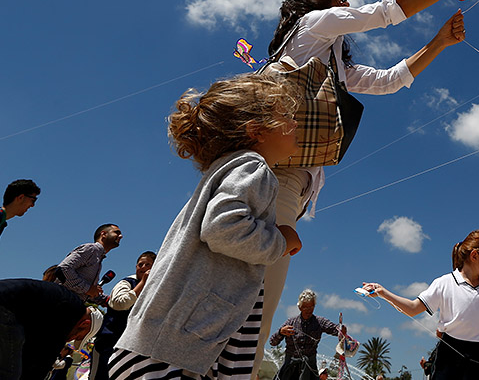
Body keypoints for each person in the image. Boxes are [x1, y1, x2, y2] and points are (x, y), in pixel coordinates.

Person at [254, 0, 479, 371]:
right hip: (277, 177)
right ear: (317, 2)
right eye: (338, 0)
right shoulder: (312, 26)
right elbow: (386, 12)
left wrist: (439, 42)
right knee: (258, 307)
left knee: (256, 305)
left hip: (288, 182)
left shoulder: (331, 63)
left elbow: (389, 81)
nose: (345, 9)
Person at [109, 73, 303, 380]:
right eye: (286, 117)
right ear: (256, 130)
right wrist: (280, 240)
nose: (295, 124)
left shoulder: (222, 171)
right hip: (179, 352)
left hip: (159, 346)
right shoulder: (254, 166)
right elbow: (224, 228)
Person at [362, 229, 479, 380]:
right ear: (474, 256)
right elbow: (413, 308)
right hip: (448, 353)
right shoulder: (444, 283)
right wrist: (383, 292)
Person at [0, 278, 102, 380]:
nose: (71, 339)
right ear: (84, 324)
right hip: (6, 305)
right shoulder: (68, 314)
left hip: (6, 299)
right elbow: (41, 361)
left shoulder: (66, 301)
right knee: (10, 372)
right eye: (78, 337)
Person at [91, 251, 156, 380]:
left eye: (147, 264)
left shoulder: (156, 289)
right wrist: (142, 283)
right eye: (140, 264)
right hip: (109, 344)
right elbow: (120, 303)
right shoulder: (127, 283)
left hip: (133, 348)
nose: (143, 267)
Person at [270, 289, 341, 380]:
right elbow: (272, 342)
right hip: (289, 368)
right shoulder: (290, 323)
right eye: (305, 307)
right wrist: (280, 332)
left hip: (309, 369)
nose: (309, 310)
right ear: (300, 307)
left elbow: (336, 330)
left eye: (311, 307)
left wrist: (341, 329)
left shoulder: (320, 322)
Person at [56, 223, 123, 299]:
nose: (121, 236)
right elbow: (62, 269)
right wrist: (87, 289)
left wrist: (104, 299)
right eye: (116, 232)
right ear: (103, 234)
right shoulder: (91, 249)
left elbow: (86, 292)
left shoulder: (99, 257)